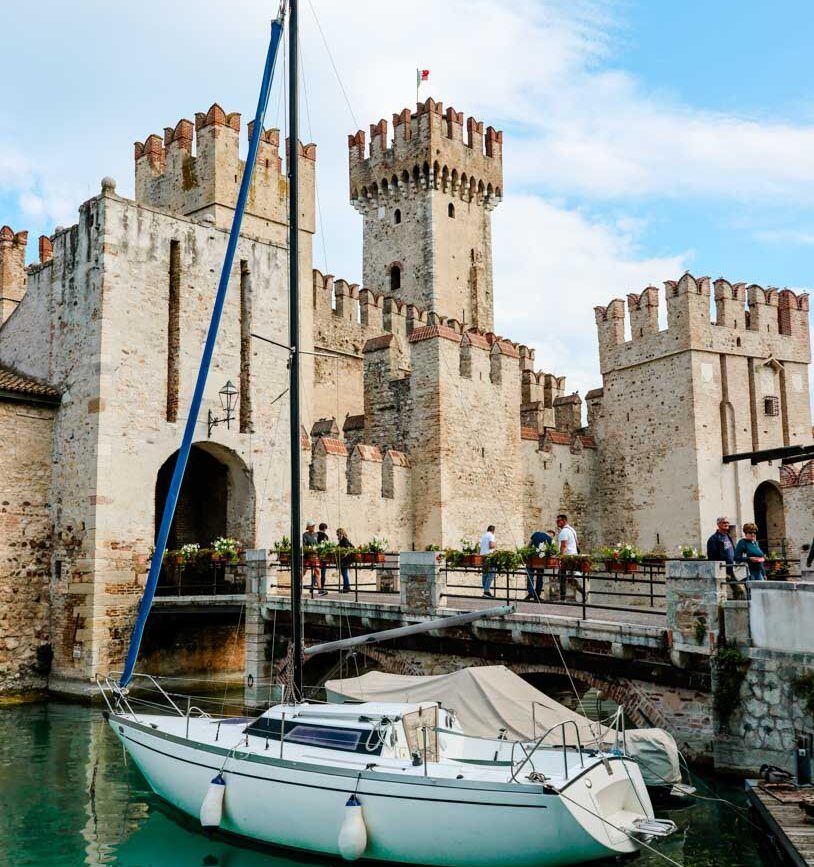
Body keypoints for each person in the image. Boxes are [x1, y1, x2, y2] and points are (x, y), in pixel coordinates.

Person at [524, 529, 552, 602]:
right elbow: (549, 551)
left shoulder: (535, 534)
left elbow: (529, 545)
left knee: (530, 576)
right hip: (541, 560)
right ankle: (537, 595)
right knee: (540, 578)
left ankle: (531, 592)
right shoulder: (549, 539)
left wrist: (526, 553)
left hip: (531, 559)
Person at [556, 514, 578, 600]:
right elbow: (577, 543)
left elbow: (563, 546)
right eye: (556, 521)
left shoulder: (564, 531)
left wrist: (561, 558)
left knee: (561, 576)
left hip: (567, 558)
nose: (557, 523)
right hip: (573, 556)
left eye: (559, 521)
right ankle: (583, 592)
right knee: (569, 578)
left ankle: (562, 597)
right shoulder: (572, 530)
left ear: (564, 521)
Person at [302, 520, 325, 596]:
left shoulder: (316, 535)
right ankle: (297, 584)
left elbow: (318, 544)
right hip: (307, 556)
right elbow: (304, 545)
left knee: (317, 571)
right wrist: (309, 549)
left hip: (315, 556)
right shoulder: (305, 535)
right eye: (312, 526)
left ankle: (320, 590)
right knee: (304, 571)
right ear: (308, 527)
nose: (313, 527)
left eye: (314, 526)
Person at [480, 524, 497, 598]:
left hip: (482, 556)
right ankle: (486, 591)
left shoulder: (483, 536)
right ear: (493, 530)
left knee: (485, 574)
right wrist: (495, 544)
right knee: (491, 573)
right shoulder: (491, 535)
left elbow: (479, 547)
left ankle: (485, 591)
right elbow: (491, 546)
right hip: (489, 556)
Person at [336, 527, 354, 592]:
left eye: (338, 534)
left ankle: (347, 587)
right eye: (337, 534)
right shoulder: (344, 540)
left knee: (344, 573)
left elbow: (346, 549)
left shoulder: (344, 540)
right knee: (344, 573)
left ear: (341, 534)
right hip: (345, 560)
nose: (337, 536)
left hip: (345, 560)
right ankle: (345, 587)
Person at [317, 522, 330, 593]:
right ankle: (321, 587)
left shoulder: (316, 535)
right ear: (325, 529)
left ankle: (312, 586)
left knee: (315, 572)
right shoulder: (325, 536)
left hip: (315, 556)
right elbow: (327, 546)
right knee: (323, 573)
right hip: (323, 557)